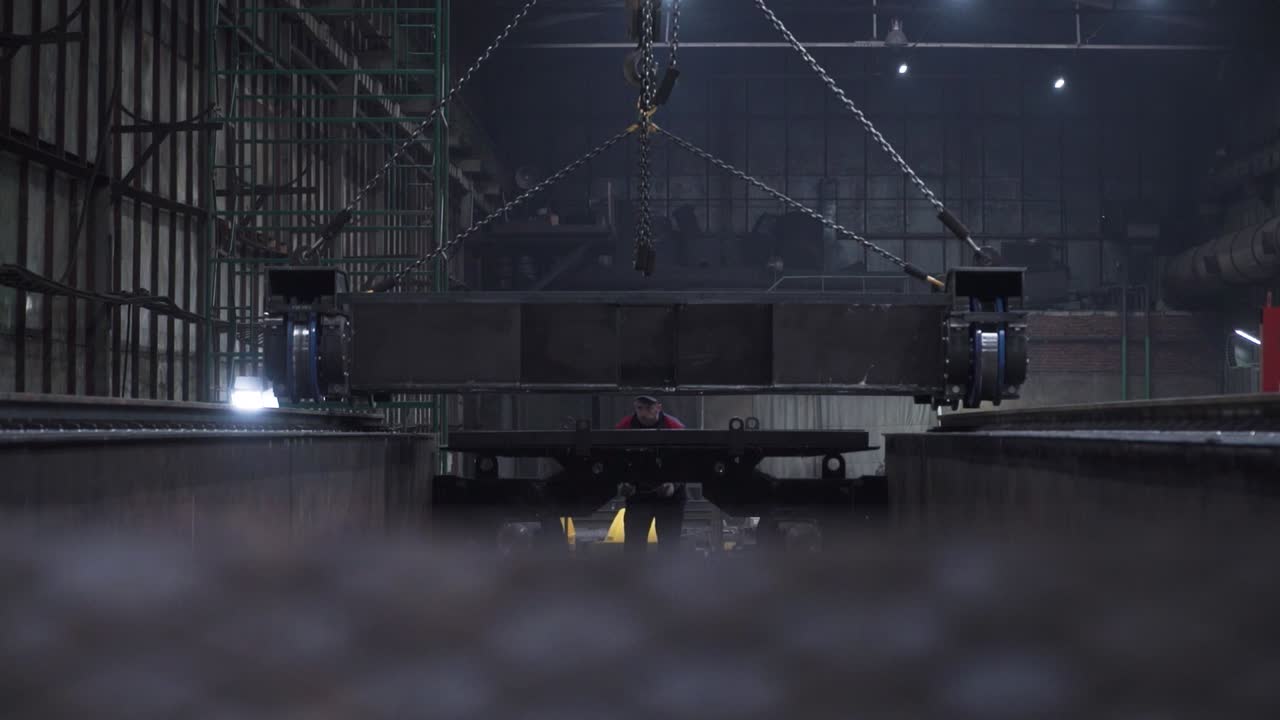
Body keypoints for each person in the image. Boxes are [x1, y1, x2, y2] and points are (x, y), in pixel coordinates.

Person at [615, 395, 686, 552]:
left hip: (670, 498)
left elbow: (685, 462)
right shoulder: (623, 427)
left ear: (658, 408)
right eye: (640, 408)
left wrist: (674, 485)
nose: (643, 413)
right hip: (638, 495)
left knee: (669, 549)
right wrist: (623, 483)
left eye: (649, 408)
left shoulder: (674, 427)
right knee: (634, 547)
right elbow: (615, 460)